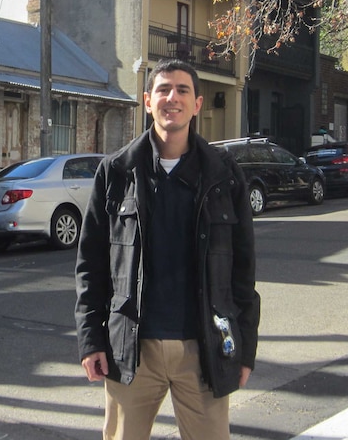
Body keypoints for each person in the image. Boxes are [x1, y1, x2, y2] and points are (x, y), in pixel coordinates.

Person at [75, 59, 261, 440]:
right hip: (131, 347)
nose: (171, 98)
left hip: (204, 347)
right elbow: (91, 265)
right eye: (162, 90)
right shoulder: (115, 172)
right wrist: (91, 339)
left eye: (182, 90)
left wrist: (245, 348)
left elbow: (243, 270)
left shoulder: (224, 175)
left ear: (197, 104)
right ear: (147, 101)